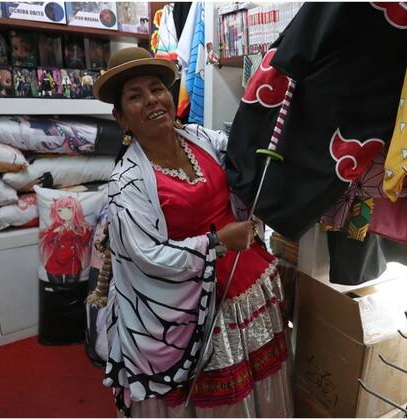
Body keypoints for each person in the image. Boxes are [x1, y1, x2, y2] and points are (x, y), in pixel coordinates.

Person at [93, 47, 292, 417]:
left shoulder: (200, 138)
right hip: (193, 311)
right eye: (135, 96)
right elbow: (147, 257)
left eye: (157, 89)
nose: (152, 100)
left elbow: (243, 158)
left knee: (259, 386)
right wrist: (217, 243)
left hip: (247, 283)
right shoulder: (126, 183)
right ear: (121, 118)